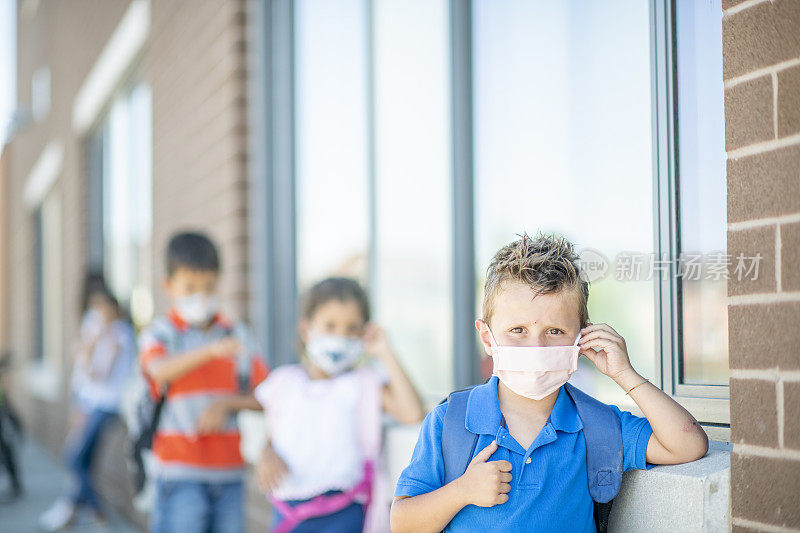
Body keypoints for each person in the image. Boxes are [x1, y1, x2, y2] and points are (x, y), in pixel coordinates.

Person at [390, 233, 709, 533]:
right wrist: (461, 491)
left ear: (582, 339)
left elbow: (688, 444)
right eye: (517, 330)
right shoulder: (450, 421)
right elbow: (402, 522)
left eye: (555, 331)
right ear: (488, 337)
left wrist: (625, 375)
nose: (536, 348)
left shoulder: (598, 426)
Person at [254, 277, 425, 532]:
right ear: (306, 329)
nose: (341, 337)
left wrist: (385, 352)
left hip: (344, 514)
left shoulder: (363, 383)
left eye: (352, 328)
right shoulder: (283, 382)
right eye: (330, 326)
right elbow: (274, 434)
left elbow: (412, 413)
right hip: (289, 513)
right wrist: (265, 456)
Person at [140, 232, 268, 533]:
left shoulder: (238, 335)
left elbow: (266, 395)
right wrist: (210, 351)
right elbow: (158, 371)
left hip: (229, 475)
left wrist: (227, 404)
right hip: (179, 472)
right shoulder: (161, 333)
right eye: (190, 288)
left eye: (209, 287)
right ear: (168, 286)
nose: (201, 296)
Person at [39, 273, 136, 530]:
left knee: (73, 458)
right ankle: (74, 506)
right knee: (82, 458)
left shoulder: (119, 335)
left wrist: (89, 346)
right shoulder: (101, 334)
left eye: (102, 308)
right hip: (88, 402)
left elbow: (98, 374)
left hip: (104, 405)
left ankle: (95, 509)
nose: (98, 315)